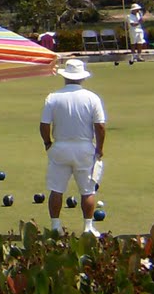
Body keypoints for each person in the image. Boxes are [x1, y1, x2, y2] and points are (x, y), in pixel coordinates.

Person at [39, 57, 107, 234]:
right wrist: (99, 148)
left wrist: (48, 143)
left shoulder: (53, 97)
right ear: (82, 77)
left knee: (56, 189)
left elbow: (44, 125)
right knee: (87, 190)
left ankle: (55, 225)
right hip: (84, 148)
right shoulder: (92, 98)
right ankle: (88, 227)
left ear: (65, 77)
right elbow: (99, 126)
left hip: (60, 148)